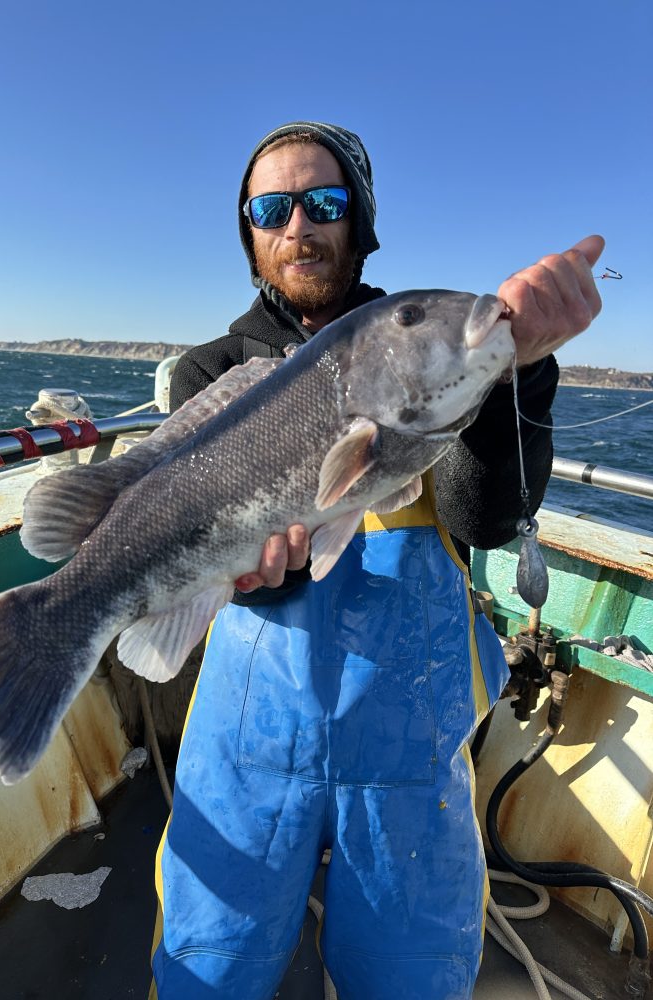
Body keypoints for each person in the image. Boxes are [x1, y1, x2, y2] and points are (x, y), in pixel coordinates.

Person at [149, 121, 603, 1000]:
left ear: (359, 219)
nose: (299, 226)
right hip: (245, 742)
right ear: (248, 231)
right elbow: (210, 559)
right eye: (271, 208)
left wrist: (522, 372)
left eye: (323, 202)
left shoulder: (424, 342)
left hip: (409, 756)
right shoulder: (210, 372)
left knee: (409, 979)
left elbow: (485, 516)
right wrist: (264, 572)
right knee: (211, 968)